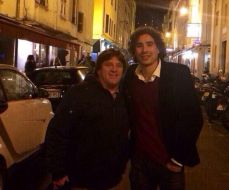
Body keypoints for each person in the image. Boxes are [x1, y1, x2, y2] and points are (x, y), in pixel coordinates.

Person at [122, 26, 203, 190]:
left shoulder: (178, 74)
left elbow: (194, 118)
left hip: (170, 161)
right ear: (134, 50)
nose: (144, 50)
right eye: (139, 45)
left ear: (158, 48)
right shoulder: (130, 75)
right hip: (140, 162)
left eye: (149, 44)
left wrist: (179, 158)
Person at [45, 48, 130, 190]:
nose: (114, 69)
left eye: (119, 65)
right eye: (109, 65)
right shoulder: (79, 94)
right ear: (98, 70)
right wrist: (58, 172)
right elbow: (57, 132)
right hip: (81, 180)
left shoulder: (124, 97)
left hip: (113, 179)